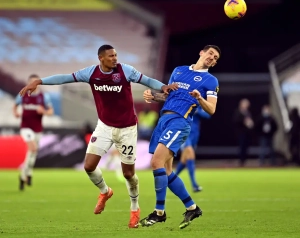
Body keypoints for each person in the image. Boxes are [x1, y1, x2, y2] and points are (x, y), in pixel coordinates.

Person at [19, 44, 177, 228]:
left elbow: (147, 80)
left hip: (127, 128)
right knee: (89, 166)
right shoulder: (91, 73)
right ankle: (105, 191)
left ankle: (135, 208)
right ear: (101, 58)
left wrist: (164, 86)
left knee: (128, 174)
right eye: (111, 56)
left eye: (116, 55)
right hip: (104, 126)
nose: (115, 58)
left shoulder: (125, 70)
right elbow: (65, 78)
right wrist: (39, 81)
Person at [139, 45, 220, 229]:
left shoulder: (210, 80)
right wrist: (153, 96)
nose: (212, 58)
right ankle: (192, 207)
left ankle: (159, 212)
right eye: (210, 54)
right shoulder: (179, 70)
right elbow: (168, 96)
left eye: (215, 58)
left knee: (156, 163)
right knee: (166, 170)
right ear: (201, 52)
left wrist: (199, 98)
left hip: (180, 122)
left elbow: (212, 109)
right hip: (164, 120)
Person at [13, 74, 54, 191]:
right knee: (33, 148)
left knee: (33, 153)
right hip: (25, 127)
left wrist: (44, 111)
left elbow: (51, 112)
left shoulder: (44, 97)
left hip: (38, 128)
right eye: (30, 82)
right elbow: (15, 106)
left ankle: (27, 174)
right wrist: (16, 112)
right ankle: (24, 176)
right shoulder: (23, 94)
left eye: (34, 82)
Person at [175, 107, 211, 192]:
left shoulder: (197, 106)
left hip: (194, 136)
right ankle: (194, 185)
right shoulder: (183, 105)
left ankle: (171, 179)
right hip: (184, 134)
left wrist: (197, 111)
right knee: (190, 154)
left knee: (184, 160)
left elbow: (208, 115)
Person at [233, 99, 254, 166]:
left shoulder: (248, 112)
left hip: (247, 133)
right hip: (240, 133)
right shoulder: (238, 112)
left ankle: (244, 160)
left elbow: (250, 121)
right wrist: (243, 122)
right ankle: (241, 160)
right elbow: (236, 121)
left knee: (246, 147)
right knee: (241, 146)